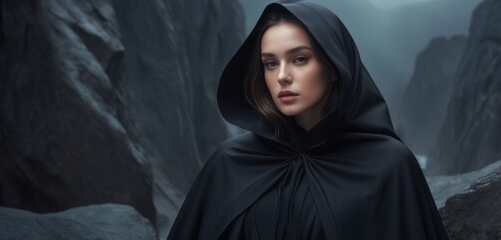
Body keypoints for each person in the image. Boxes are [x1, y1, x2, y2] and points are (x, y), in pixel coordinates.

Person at [167, 2, 449, 239]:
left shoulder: (390, 167)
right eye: (270, 63)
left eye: (300, 59)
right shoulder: (229, 163)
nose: (282, 76)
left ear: (335, 66)